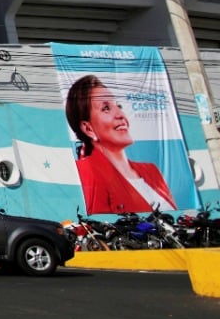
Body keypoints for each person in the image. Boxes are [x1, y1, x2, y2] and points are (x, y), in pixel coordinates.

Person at [66, 74, 177, 214]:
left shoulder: (151, 171)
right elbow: (99, 220)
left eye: (118, 105)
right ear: (89, 129)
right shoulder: (86, 171)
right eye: (106, 108)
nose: (120, 114)